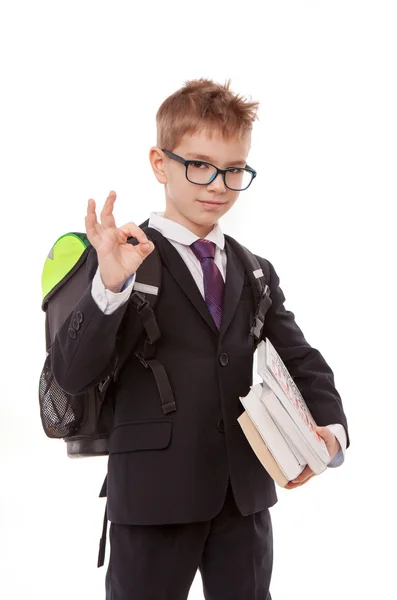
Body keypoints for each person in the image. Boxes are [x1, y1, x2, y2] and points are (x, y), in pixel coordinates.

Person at [51, 78, 349, 600]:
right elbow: (72, 375)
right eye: (199, 165)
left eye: (234, 170)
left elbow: (300, 358)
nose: (217, 184)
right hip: (153, 496)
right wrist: (110, 286)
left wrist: (331, 431)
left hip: (245, 496)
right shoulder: (123, 257)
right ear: (160, 163)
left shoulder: (255, 270)